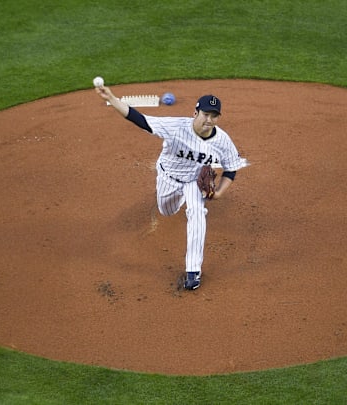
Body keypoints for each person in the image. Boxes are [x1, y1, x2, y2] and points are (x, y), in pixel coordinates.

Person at [95, 85, 247, 290]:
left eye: (214, 116)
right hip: (168, 178)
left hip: (194, 182)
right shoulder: (176, 127)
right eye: (205, 114)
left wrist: (219, 193)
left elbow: (231, 169)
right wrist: (112, 98)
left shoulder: (222, 141)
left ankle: (194, 271)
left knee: (197, 212)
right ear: (195, 112)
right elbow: (140, 120)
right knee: (166, 211)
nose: (209, 120)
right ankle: (178, 200)